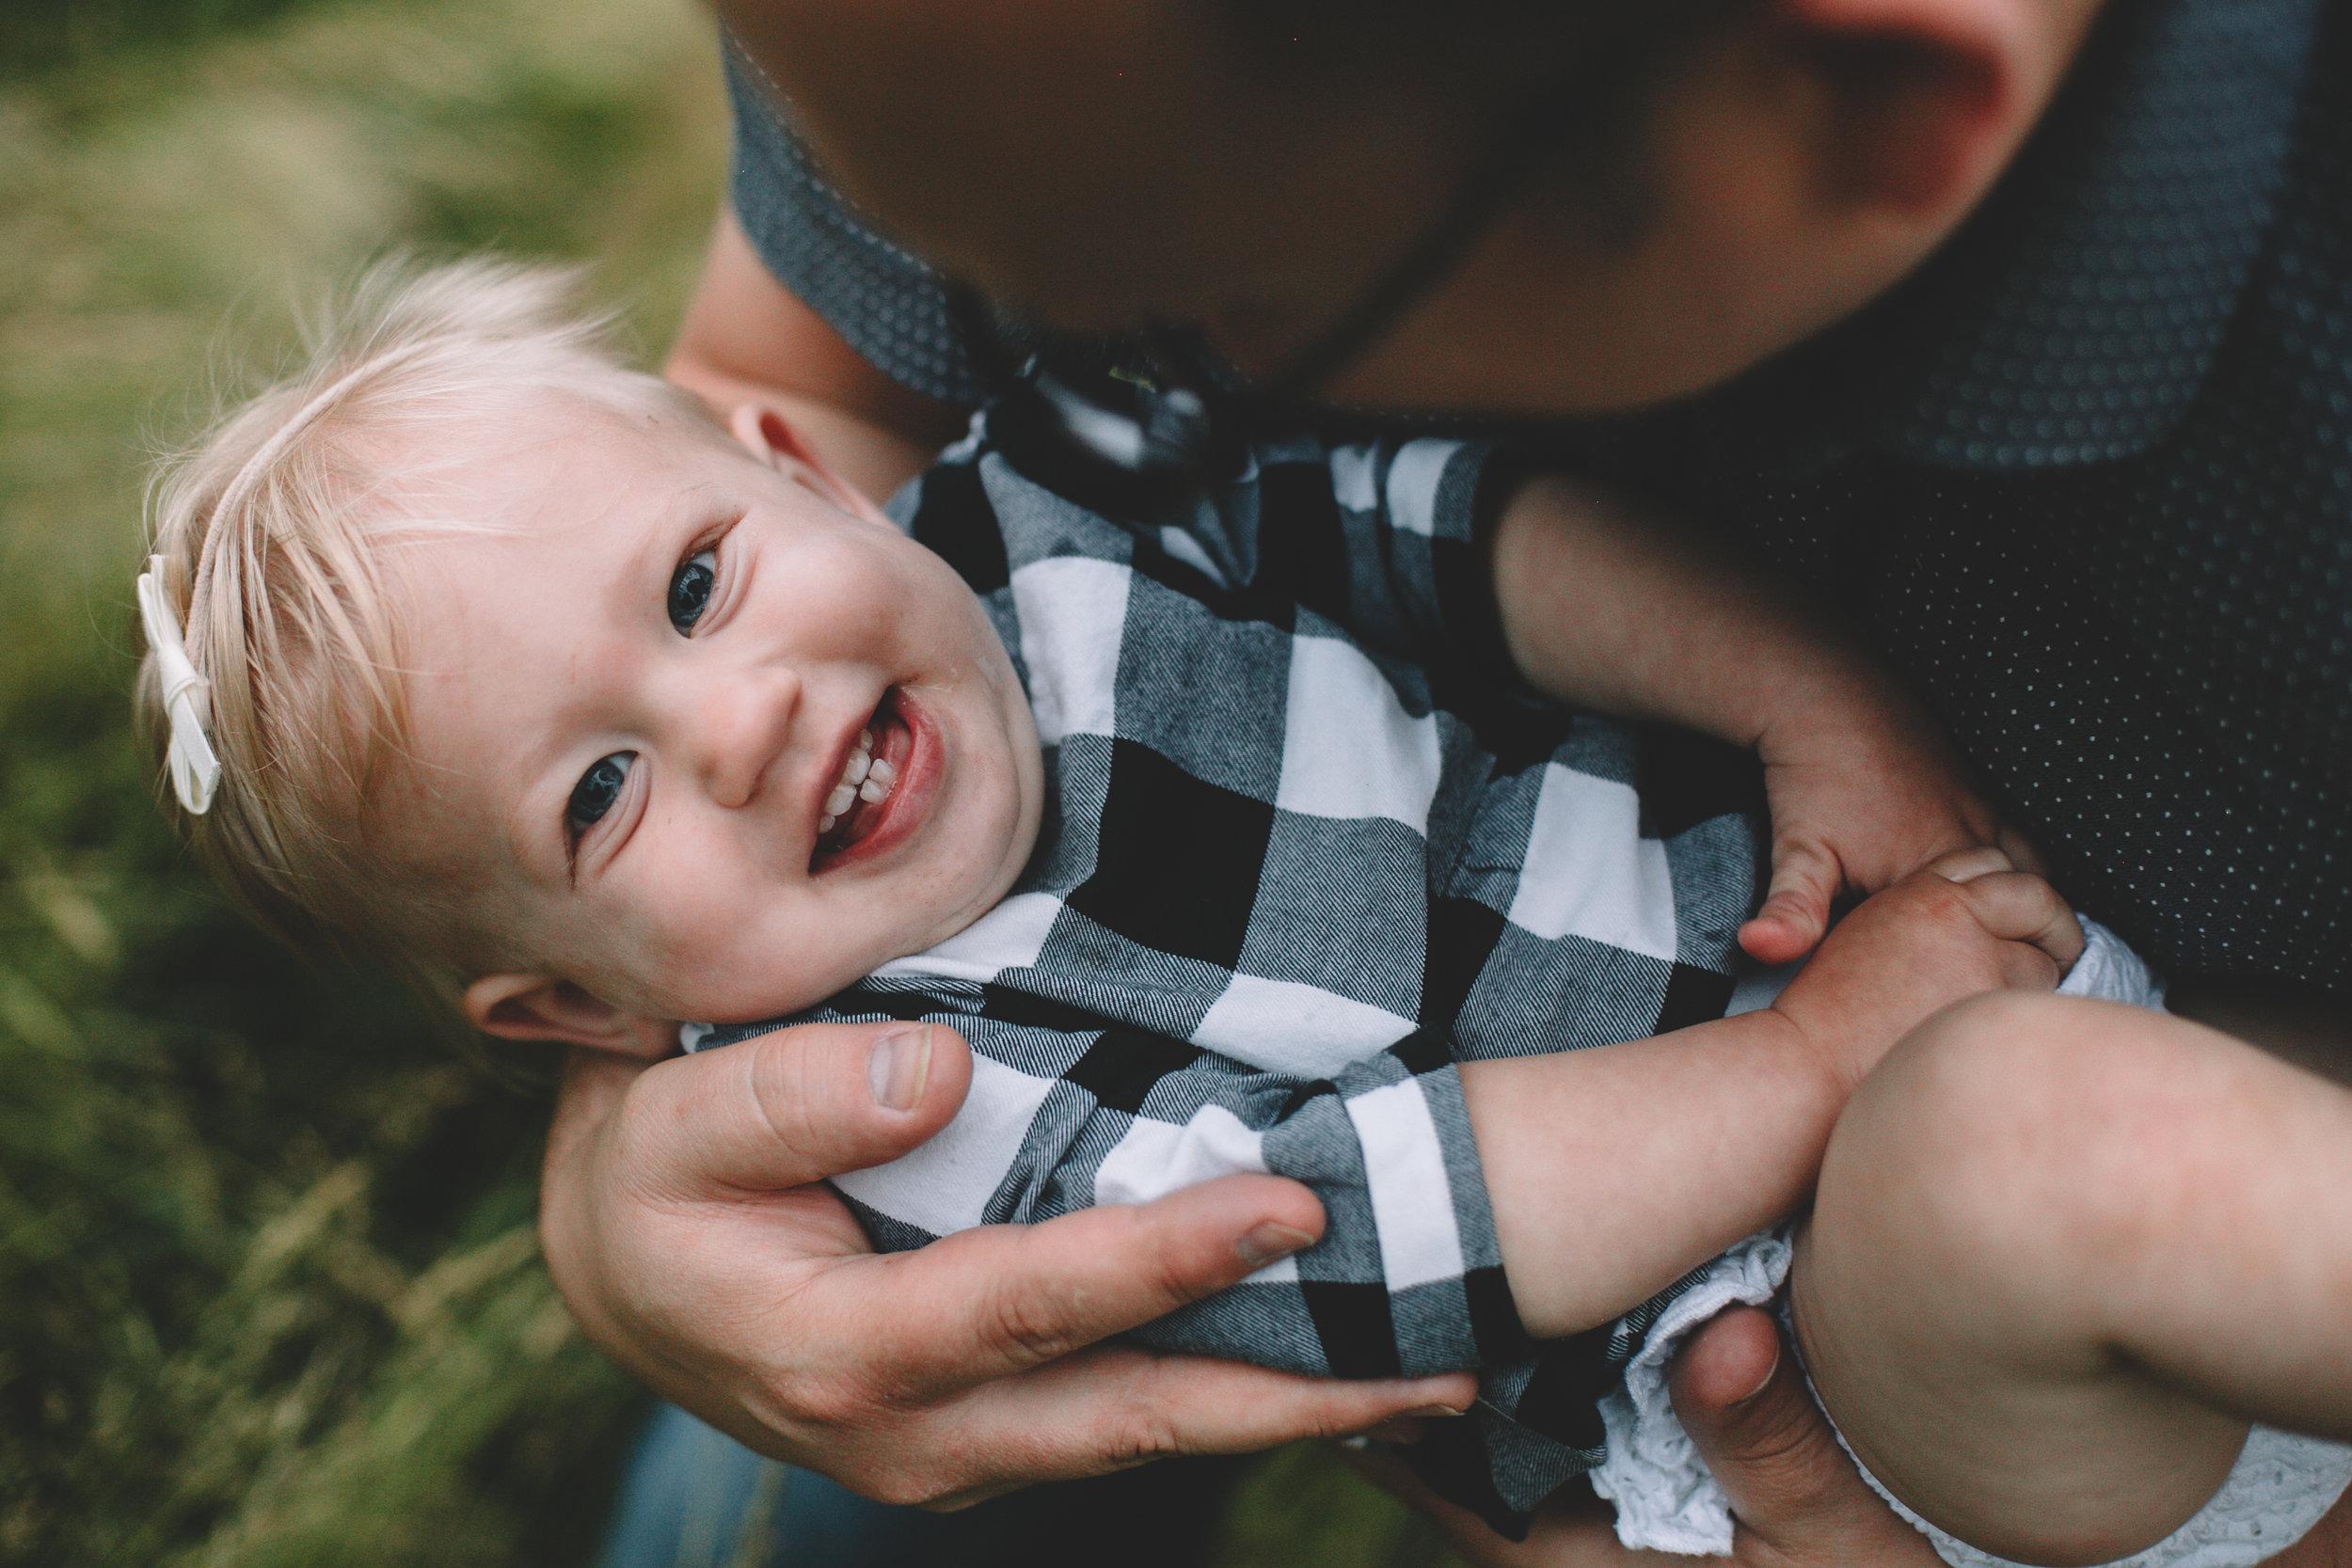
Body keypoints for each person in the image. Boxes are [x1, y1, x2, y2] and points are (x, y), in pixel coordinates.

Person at [136, 261, 2352, 1568]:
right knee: (2026, 1147)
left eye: (699, 587)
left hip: (1994, 1000)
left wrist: (1799, 694)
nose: (738, 723)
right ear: (567, 1014)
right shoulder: (891, 1103)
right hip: (1804, 1353)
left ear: (793, 471)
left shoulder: (1034, 522)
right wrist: (1812, 1058)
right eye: (602, 792)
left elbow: (1436, 528)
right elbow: (1345, 1243)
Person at [542, 0, 2351, 1560]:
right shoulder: (1047, 76)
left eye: (1184, 335)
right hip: (1759, 1263)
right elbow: (799, 386)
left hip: (2081, 1137)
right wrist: (637, 1192)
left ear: (1871, 110)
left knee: (2045, 1152)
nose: (1088, 420)